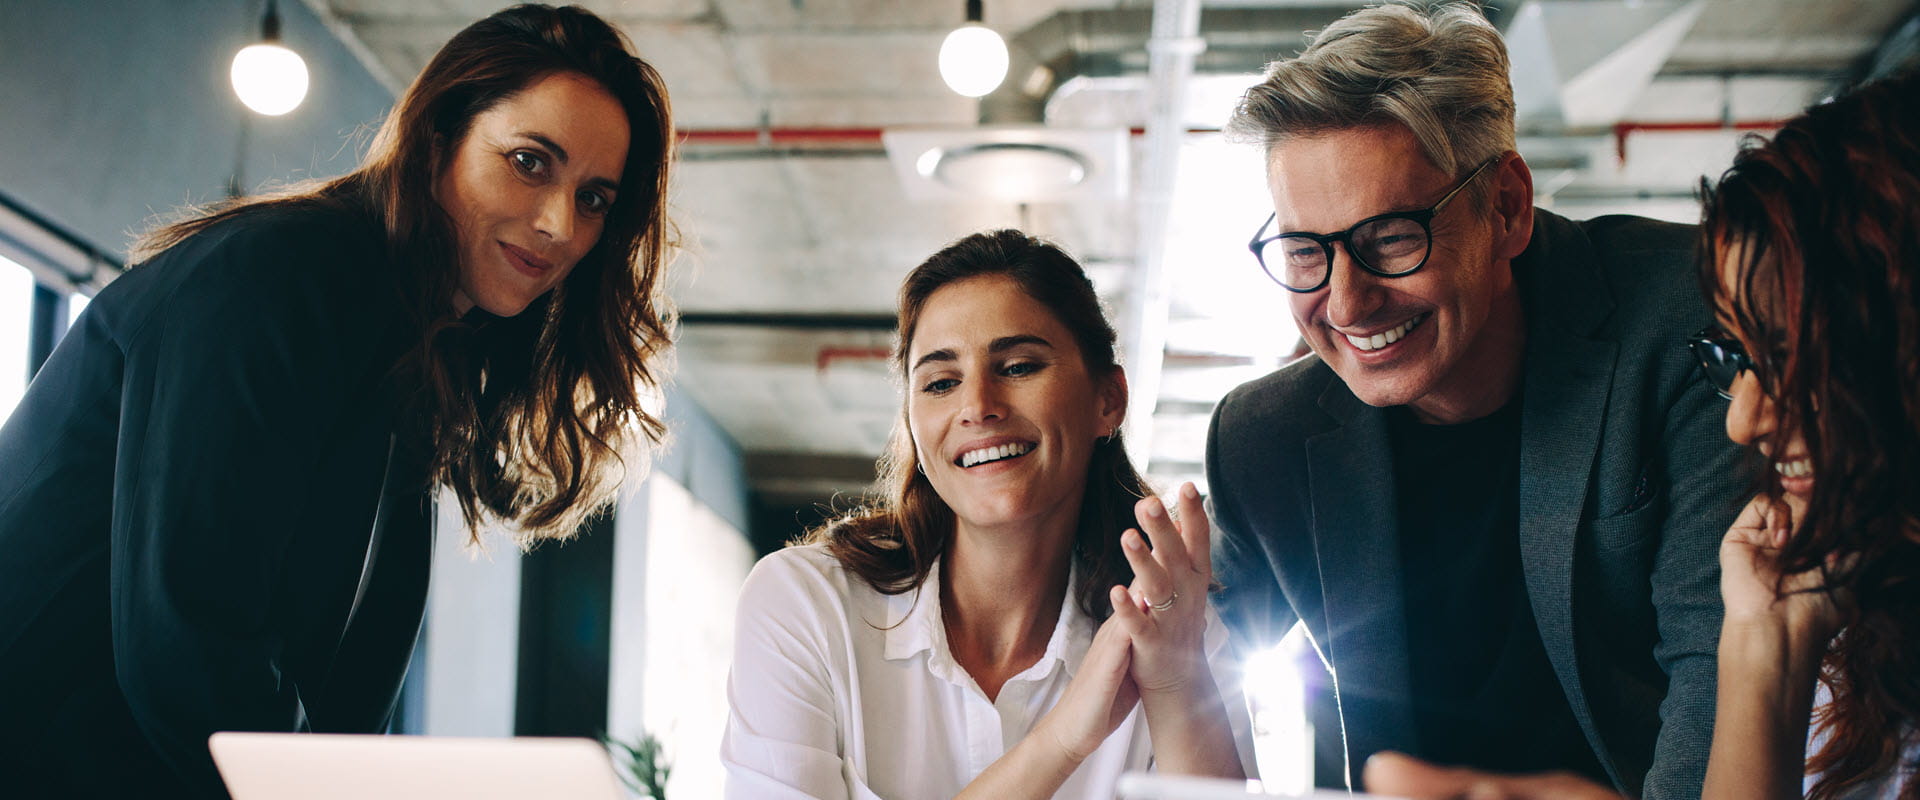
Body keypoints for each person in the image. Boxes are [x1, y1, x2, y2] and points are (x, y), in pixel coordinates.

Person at [0, 6, 677, 798]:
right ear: (436, 143)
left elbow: (344, 690)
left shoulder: (414, 353)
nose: (560, 224)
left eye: (595, 198)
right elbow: (187, 643)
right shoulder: (282, 275)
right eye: (529, 161)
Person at [1205, 4, 1748, 797]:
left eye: (1390, 239)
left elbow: (1723, 682)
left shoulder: (1680, 321)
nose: (1348, 304)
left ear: (1506, 208)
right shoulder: (1266, 438)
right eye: (1304, 251)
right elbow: (1180, 664)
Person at [1365, 70, 1920, 800]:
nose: (1744, 421)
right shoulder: (1842, 619)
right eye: (1736, 360)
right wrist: (1766, 647)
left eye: (1788, 360)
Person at [721, 230, 1255, 799]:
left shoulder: (1176, 630)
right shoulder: (804, 603)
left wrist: (1175, 680)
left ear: (1108, 400)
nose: (977, 406)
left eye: (1019, 366)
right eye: (941, 382)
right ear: (914, 426)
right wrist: (1061, 742)